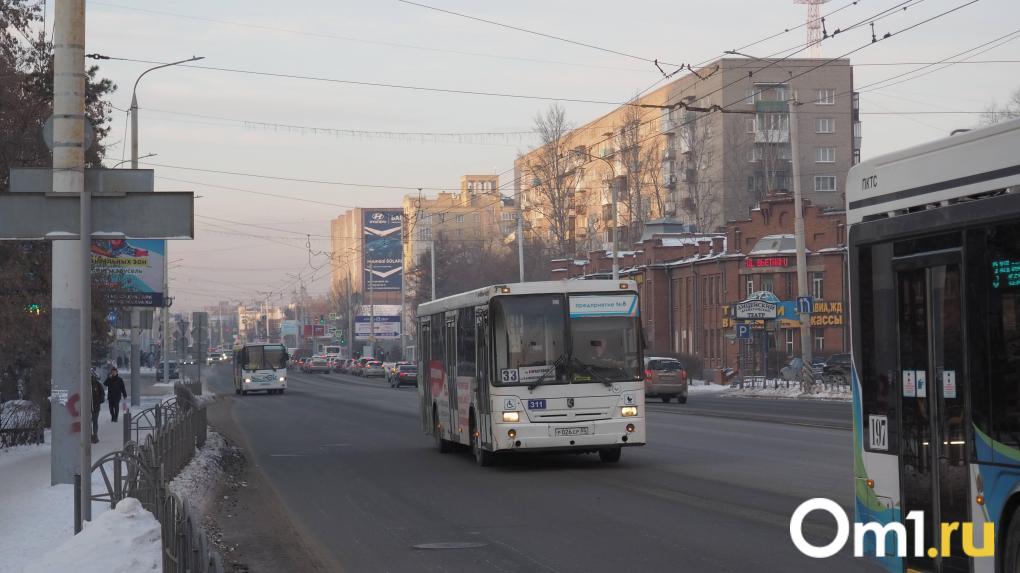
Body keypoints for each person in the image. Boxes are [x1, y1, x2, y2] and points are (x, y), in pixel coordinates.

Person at [90, 369, 105, 444]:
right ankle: (89, 435)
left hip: (95, 407)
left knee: (95, 421)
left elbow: (102, 394)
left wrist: (99, 401)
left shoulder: (97, 384)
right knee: (88, 422)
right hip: (87, 407)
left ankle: (95, 435)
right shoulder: (84, 384)